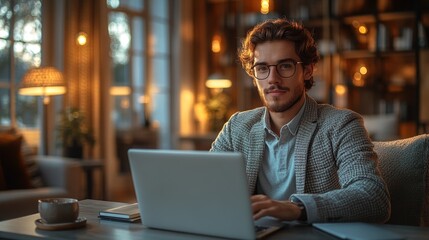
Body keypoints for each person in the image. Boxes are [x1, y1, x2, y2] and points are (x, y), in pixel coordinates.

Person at [210, 18, 391, 223]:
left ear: (308, 70)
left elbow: (373, 197)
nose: (272, 78)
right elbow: (205, 186)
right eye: (262, 68)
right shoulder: (236, 127)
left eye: (285, 66)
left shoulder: (342, 125)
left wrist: (297, 208)